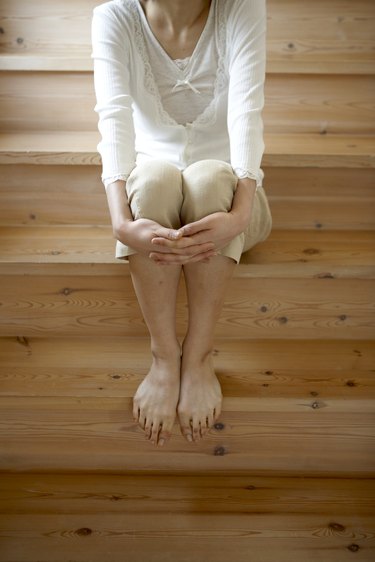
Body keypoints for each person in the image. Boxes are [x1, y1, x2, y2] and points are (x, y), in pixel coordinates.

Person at [91, 0, 272, 448]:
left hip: (234, 195)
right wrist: (119, 222)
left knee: (210, 175)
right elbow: (113, 118)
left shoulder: (241, 9)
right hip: (155, 195)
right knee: (152, 178)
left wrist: (240, 213)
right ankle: (163, 356)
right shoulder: (114, 17)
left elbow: (247, 110)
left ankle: (199, 355)